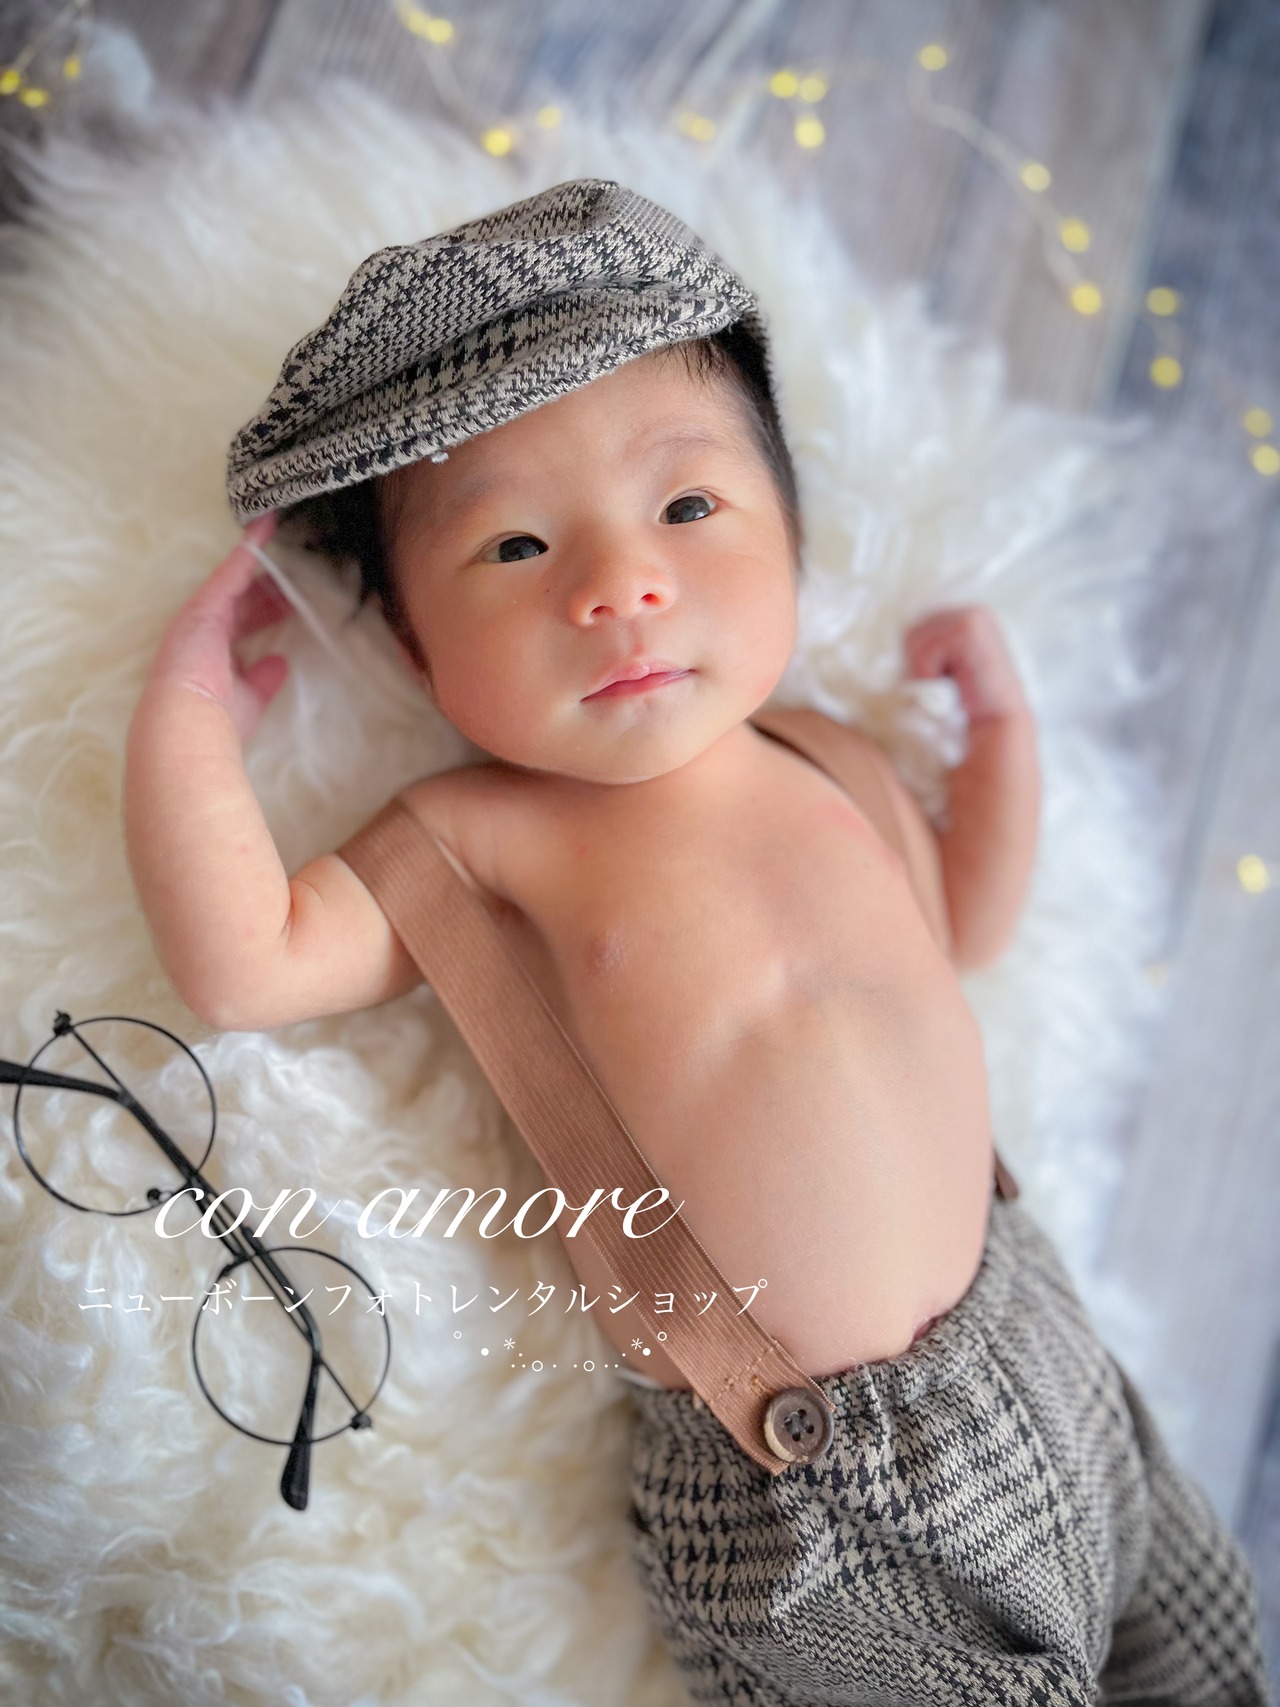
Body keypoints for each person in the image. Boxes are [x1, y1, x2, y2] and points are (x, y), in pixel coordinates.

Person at [123, 179, 1273, 1705]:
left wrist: (999, 732)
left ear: (792, 535)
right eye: (515, 547)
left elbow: (974, 924)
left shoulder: (830, 758)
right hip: (818, 1496)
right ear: (411, 645)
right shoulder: (482, 838)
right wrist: (187, 713)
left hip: (1048, 1352)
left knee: (1213, 1656)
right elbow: (244, 962)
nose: (620, 587)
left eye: (686, 508)